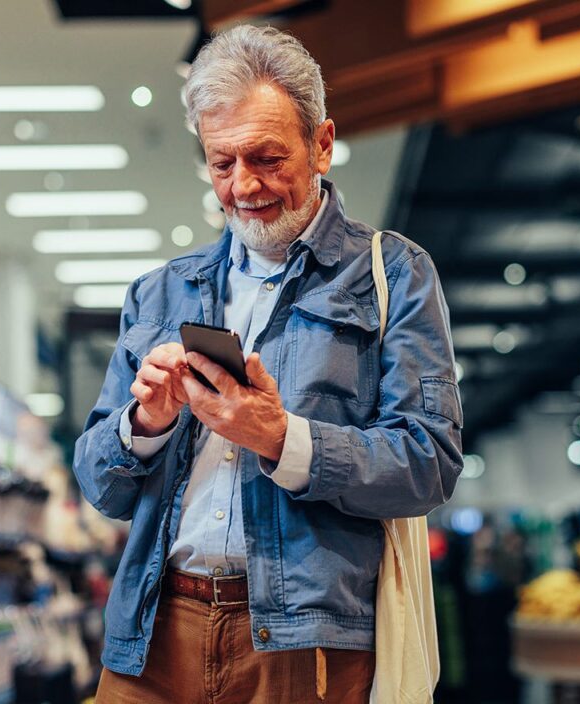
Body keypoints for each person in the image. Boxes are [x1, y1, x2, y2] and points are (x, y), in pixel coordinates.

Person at [72, 25, 463, 703]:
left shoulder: (393, 274)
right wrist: (147, 422)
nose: (244, 185)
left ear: (322, 143)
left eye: (266, 157)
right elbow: (99, 483)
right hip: (151, 635)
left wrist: (283, 439)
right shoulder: (160, 290)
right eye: (222, 164)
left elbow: (429, 460)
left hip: (304, 641)